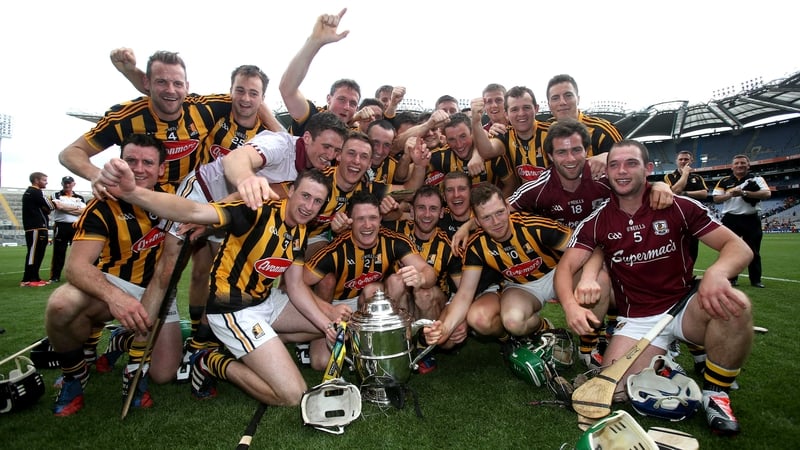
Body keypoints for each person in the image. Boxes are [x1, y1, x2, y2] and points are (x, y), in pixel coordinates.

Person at [100, 159, 344, 406]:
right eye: (305, 195)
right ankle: (210, 362)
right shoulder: (256, 211)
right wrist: (134, 193)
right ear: (291, 191)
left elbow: (295, 285)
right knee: (293, 395)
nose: (308, 206)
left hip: (264, 300)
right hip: (233, 311)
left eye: (317, 201)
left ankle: (266, 344)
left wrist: (326, 325)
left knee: (336, 326)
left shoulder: (299, 230)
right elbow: (194, 211)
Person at [554, 140, 754, 436]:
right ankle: (664, 363)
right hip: (637, 320)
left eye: (631, 163)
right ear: (606, 173)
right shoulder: (596, 221)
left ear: (648, 169)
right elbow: (566, 268)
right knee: (616, 391)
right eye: (614, 165)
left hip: (684, 308)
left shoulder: (678, 205)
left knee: (735, 303)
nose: (622, 171)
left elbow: (738, 247)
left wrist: (717, 272)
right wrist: (571, 306)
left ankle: (716, 394)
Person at [46, 134, 181, 417]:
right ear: (119, 164)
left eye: (148, 162)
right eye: (131, 161)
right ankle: (74, 376)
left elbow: (165, 272)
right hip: (114, 283)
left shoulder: (175, 200)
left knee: (164, 374)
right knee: (61, 305)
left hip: (161, 288)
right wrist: (115, 297)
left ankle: (122, 340)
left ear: (161, 169)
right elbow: (76, 267)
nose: (139, 168)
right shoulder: (104, 203)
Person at [424, 183, 578, 355]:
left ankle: (591, 344)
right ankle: (544, 327)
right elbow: (465, 294)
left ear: (507, 208)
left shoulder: (534, 225)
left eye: (499, 212)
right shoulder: (476, 246)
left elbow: (584, 246)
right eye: (487, 217)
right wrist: (444, 328)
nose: (496, 222)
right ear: (477, 221)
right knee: (513, 322)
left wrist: (588, 278)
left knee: (598, 281)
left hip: (558, 273)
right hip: (523, 286)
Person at [60, 50, 233, 198]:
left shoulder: (204, 108)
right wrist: (96, 174)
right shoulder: (125, 117)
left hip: (187, 203)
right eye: (161, 82)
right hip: (139, 200)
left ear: (187, 87)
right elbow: (70, 153)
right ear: (146, 83)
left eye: (177, 83)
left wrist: (130, 71)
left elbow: (251, 100)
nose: (171, 90)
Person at [303, 190, 437, 371]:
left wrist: (421, 278)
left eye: (373, 218)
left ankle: (388, 347)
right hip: (339, 307)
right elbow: (295, 285)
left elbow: (428, 271)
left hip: (371, 303)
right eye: (360, 219)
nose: (368, 225)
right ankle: (336, 341)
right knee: (321, 363)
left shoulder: (393, 241)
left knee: (388, 284)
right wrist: (328, 309)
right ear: (350, 222)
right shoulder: (335, 250)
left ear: (381, 218)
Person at [279, 8, 377, 135]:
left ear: (357, 108)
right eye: (341, 99)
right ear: (329, 99)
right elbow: (287, 89)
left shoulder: (355, 132)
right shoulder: (312, 116)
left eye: (352, 103)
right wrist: (314, 42)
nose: (346, 107)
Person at [542, 74, 623, 177]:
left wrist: (609, 157)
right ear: (549, 105)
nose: (562, 102)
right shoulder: (544, 132)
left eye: (568, 95)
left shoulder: (603, 131)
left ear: (578, 99)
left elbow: (630, 162)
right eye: (555, 98)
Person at [713, 154, 771, 288]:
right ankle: (731, 278)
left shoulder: (756, 178)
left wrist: (744, 193)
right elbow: (716, 198)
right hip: (730, 218)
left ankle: (756, 280)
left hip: (751, 218)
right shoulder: (724, 180)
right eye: (737, 163)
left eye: (743, 163)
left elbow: (767, 194)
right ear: (732, 166)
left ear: (748, 165)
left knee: (753, 251)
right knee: (730, 250)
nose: (740, 165)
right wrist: (730, 194)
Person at [472, 86, 548, 183]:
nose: (521, 113)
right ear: (506, 113)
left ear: (536, 109)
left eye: (526, 107)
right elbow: (487, 151)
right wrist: (476, 121)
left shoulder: (550, 133)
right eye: (514, 109)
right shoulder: (504, 134)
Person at [428, 113, 516, 197]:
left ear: (472, 133)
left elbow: (511, 185)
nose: (459, 144)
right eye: (452, 139)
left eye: (463, 136)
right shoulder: (443, 156)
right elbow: (419, 167)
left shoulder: (491, 154)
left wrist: (493, 208)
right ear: (446, 139)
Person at [665, 150, 709, 262]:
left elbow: (704, 194)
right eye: (681, 159)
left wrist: (685, 193)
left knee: (693, 248)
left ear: (691, 161)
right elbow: (675, 191)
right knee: (675, 247)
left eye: (686, 159)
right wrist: (685, 174)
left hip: (693, 217)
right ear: (676, 161)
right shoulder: (669, 176)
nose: (683, 161)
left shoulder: (698, 178)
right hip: (676, 216)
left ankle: (689, 275)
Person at [48, 176, 86, 283]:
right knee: (59, 252)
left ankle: (77, 275)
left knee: (78, 253)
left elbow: (83, 211)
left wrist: (65, 208)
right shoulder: (56, 195)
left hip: (75, 226)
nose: (67, 185)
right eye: (65, 183)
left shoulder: (80, 197)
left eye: (69, 183)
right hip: (61, 226)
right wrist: (75, 208)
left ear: (74, 184)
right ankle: (55, 276)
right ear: (62, 183)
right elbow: (59, 207)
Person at [21, 172, 54, 287]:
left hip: (38, 226)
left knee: (38, 253)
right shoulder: (35, 192)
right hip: (35, 227)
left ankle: (35, 277)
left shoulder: (32, 193)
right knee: (34, 253)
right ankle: (28, 279)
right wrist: (47, 205)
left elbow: (47, 209)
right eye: (44, 180)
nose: (46, 182)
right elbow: (50, 206)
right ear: (36, 180)